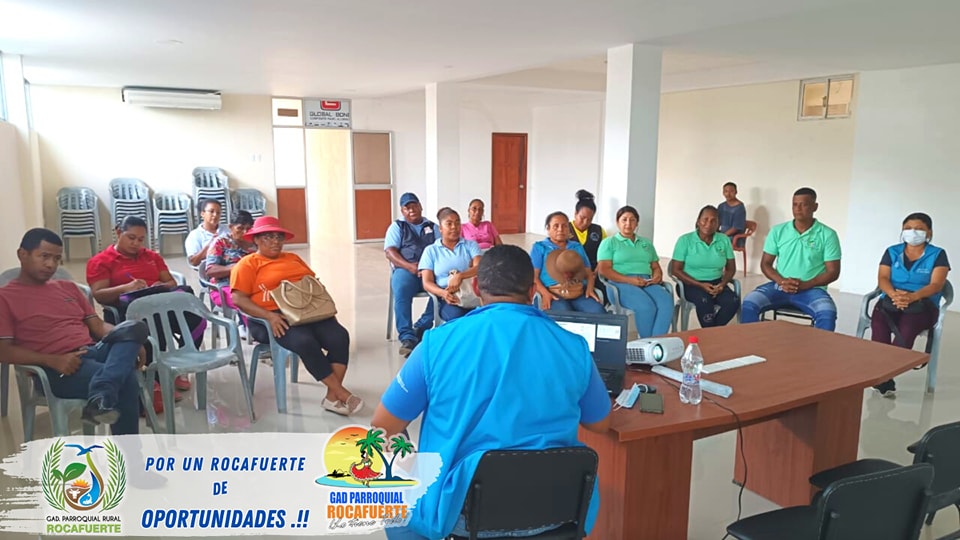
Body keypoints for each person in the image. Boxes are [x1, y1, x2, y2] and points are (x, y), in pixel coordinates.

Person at [372, 245, 611, 540]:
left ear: (476, 287)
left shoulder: (436, 344)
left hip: (462, 517)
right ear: (532, 291)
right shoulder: (574, 347)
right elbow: (600, 423)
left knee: (390, 494)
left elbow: (383, 424)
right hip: (556, 513)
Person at [0, 229, 143, 434]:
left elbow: (98, 327)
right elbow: (3, 351)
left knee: (134, 328)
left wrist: (128, 338)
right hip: (56, 368)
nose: (51, 264)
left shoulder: (68, 288)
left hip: (92, 351)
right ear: (22, 254)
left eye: (56, 259)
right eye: (44, 256)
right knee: (126, 379)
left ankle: (102, 390)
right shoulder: (5, 297)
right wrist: (52, 360)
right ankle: (130, 452)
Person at [230, 216, 362, 416]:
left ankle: (332, 397)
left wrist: (326, 312)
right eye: (268, 237)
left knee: (339, 336)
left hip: (306, 311)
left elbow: (313, 284)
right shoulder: (247, 264)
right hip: (272, 318)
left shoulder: (292, 258)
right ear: (256, 239)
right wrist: (269, 316)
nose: (275, 241)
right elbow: (238, 299)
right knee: (305, 341)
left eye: (278, 237)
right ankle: (341, 393)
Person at [87, 215, 197, 396]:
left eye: (140, 239)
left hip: (158, 303)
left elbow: (171, 282)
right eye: (131, 238)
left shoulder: (151, 256)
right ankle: (156, 377)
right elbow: (99, 295)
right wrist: (126, 288)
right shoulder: (101, 261)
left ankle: (180, 363)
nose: (136, 244)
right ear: (118, 232)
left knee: (193, 315)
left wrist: (161, 286)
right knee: (154, 321)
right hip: (125, 312)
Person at [870, 212, 949, 397]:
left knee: (907, 329)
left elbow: (936, 284)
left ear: (929, 232)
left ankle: (885, 375)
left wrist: (913, 297)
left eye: (919, 229)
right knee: (879, 323)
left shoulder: (938, 254)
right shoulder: (892, 251)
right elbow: (883, 278)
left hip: (923, 304)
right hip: (892, 299)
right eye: (908, 228)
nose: (913, 232)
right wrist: (893, 295)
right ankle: (883, 375)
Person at [741, 187, 841, 331]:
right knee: (750, 302)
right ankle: (750, 342)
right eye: (795, 204)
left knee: (827, 313)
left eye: (804, 204)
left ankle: (819, 346)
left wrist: (806, 284)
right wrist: (782, 281)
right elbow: (765, 264)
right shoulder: (778, 231)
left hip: (812, 289)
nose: (798, 209)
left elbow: (833, 272)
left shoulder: (828, 234)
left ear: (815, 207)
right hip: (779, 286)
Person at [596, 206, 673, 337]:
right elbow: (604, 270)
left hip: (646, 282)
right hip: (619, 283)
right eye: (624, 219)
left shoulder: (646, 243)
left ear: (637, 223)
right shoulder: (609, 243)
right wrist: (630, 280)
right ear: (617, 222)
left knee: (666, 302)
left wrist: (657, 276)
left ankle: (657, 341)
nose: (628, 223)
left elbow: (655, 266)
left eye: (632, 220)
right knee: (646, 306)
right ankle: (646, 342)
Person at [385, 192, 436, 357]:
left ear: (420, 206)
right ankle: (407, 337)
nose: (411, 210)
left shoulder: (433, 227)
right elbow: (390, 252)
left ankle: (422, 326)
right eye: (407, 208)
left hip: (429, 270)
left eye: (414, 206)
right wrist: (409, 266)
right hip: (405, 270)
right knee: (401, 289)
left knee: (444, 287)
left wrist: (429, 268)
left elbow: (441, 248)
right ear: (402, 211)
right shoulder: (397, 227)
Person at [670, 206, 739, 328]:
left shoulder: (723, 240)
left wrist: (722, 284)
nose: (708, 224)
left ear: (718, 224)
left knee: (733, 302)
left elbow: (731, 268)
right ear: (698, 221)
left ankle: (711, 332)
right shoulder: (685, 240)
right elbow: (675, 270)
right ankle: (712, 333)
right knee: (705, 302)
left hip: (717, 283)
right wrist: (700, 285)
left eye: (713, 221)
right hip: (690, 284)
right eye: (705, 219)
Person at [530, 211, 604, 313]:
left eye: (564, 226)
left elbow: (588, 273)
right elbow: (533, 276)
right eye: (556, 226)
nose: (560, 229)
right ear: (548, 228)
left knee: (598, 311)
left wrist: (590, 289)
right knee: (565, 314)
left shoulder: (576, 246)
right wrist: (545, 293)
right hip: (553, 292)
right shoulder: (540, 247)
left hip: (578, 291)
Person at [419, 208, 482, 322]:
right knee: (458, 318)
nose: (454, 227)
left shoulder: (470, 245)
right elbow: (427, 283)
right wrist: (443, 293)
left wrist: (460, 276)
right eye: (449, 224)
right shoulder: (431, 251)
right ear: (440, 228)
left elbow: (480, 268)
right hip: (448, 297)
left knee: (483, 317)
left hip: (472, 294)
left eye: (457, 223)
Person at [204, 210, 256, 338]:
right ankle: (257, 334)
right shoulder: (221, 243)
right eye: (240, 228)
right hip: (224, 287)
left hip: (252, 285)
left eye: (248, 228)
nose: (245, 232)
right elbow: (210, 271)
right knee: (246, 301)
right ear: (231, 227)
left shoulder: (255, 244)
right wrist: (236, 268)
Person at [185, 199, 230, 268]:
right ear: (202, 214)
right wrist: (212, 244)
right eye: (211, 211)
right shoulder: (195, 235)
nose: (215, 215)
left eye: (218, 213)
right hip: (210, 269)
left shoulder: (228, 229)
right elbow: (193, 262)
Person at [569, 189, 606, 270]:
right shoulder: (564, 228)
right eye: (582, 218)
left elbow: (605, 256)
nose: (585, 222)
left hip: (593, 272)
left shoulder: (599, 231)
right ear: (575, 213)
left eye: (589, 219)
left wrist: (595, 273)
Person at [718, 182, 746, 246]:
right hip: (722, 234)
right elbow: (717, 222)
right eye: (726, 191)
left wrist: (722, 237)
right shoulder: (721, 206)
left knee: (716, 244)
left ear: (736, 192)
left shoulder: (740, 207)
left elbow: (735, 228)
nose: (728, 194)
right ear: (723, 193)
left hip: (735, 237)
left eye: (731, 191)